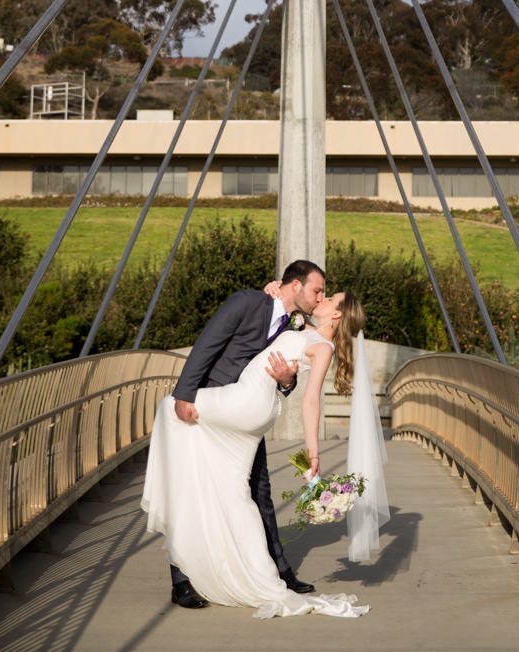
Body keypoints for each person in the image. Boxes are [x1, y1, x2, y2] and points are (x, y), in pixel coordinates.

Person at [141, 287, 373, 618]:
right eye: (319, 292)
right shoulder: (301, 327)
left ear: (337, 315)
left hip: (246, 403)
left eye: (328, 298)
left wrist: (313, 456)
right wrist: (272, 289)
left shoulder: (323, 346)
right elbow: (279, 314)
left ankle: (204, 562)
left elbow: (310, 402)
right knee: (234, 492)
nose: (320, 299)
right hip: (250, 405)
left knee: (170, 408)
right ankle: (248, 572)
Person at [161, 259, 326, 608]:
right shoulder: (246, 302)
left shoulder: (294, 325)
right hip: (207, 410)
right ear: (295, 285)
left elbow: (285, 376)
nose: (319, 297)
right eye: (317, 290)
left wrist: (287, 381)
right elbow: (206, 346)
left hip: (242, 418)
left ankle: (279, 572)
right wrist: (184, 396)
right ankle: (181, 582)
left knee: (259, 490)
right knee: (190, 492)